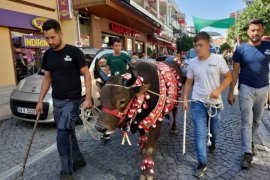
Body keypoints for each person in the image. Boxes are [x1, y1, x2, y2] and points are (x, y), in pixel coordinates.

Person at [36, 19, 92, 179]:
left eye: (52, 37)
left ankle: (66, 172)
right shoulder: (47, 55)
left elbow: (87, 75)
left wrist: (88, 98)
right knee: (69, 132)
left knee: (61, 135)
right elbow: (47, 78)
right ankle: (78, 159)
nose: (50, 41)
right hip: (57, 101)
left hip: (72, 101)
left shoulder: (74, 52)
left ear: (60, 33)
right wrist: (40, 101)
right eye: (47, 38)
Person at [182, 32, 232, 178]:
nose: (197, 48)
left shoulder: (218, 59)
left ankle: (213, 142)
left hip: (215, 103)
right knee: (199, 131)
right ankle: (202, 162)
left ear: (208, 46)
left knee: (214, 130)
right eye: (195, 46)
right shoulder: (192, 63)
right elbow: (189, 82)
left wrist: (219, 90)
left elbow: (229, 77)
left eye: (200, 45)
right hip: (197, 102)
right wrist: (185, 98)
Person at [227, 19, 270, 170]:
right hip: (245, 89)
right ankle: (247, 153)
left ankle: (250, 140)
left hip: (264, 88)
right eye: (252, 30)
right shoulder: (241, 50)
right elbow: (235, 71)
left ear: (262, 31)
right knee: (247, 121)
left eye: (258, 30)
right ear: (248, 32)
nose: (255, 33)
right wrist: (231, 92)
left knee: (257, 121)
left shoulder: (268, 46)